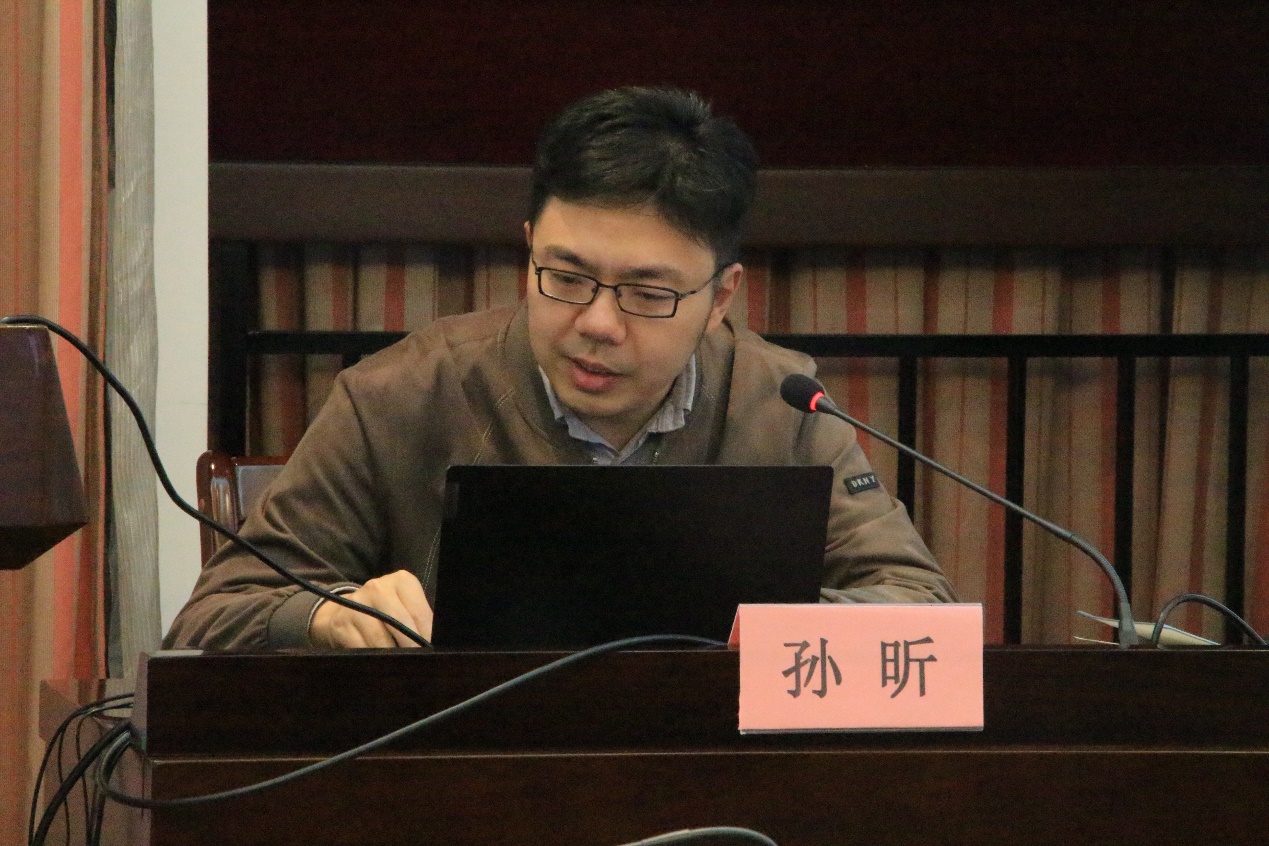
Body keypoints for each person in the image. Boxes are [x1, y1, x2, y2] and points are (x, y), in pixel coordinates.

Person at [164, 87, 956, 651]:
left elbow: (916, 604)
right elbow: (218, 613)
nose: (597, 323)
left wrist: (765, 628)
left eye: (647, 293)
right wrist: (326, 615)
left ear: (721, 297)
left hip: (707, 769)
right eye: (565, 276)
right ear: (528, 249)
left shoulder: (781, 402)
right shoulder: (400, 395)